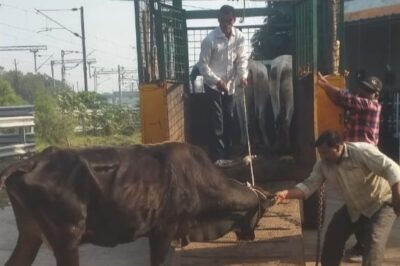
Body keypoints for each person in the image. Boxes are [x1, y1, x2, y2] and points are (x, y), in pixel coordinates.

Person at [275, 130, 400, 266]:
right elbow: (309, 185)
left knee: (373, 239)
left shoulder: (361, 151)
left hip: (381, 202)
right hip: (355, 208)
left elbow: (391, 168)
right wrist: (286, 193)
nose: (323, 157)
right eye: (320, 153)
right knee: (334, 234)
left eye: (326, 152)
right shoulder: (322, 165)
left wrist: (397, 196)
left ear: (338, 147)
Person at [318, 72, 383, 261]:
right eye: (362, 89)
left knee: (363, 203)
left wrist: (324, 85)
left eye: (368, 91)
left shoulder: (371, 106)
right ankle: (361, 244)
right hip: (354, 158)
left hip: (366, 160)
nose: (363, 93)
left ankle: (363, 245)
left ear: (375, 95)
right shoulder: (358, 104)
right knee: (357, 202)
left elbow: (344, 97)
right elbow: (342, 97)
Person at [198, 5, 248, 167]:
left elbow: (242, 60)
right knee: (217, 120)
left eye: (228, 21)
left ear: (233, 20)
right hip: (213, 86)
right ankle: (218, 157)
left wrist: (243, 76)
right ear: (218, 20)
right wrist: (218, 81)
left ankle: (228, 154)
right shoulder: (209, 40)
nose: (225, 24)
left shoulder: (239, 37)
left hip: (231, 85)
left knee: (230, 118)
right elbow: (203, 66)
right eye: (222, 21)